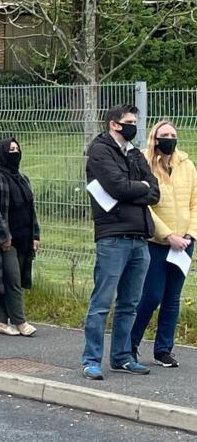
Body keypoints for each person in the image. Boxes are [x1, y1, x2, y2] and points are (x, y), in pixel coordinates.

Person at [81, 104, 160, 380]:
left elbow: (155, 191)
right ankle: (91, 359)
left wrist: (136, 189)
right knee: (102, 301)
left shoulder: (135, 153)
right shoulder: (100, 150)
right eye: (128, 121)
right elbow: (117, 187)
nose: (133, 126)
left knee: (130, 303)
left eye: (134, 121)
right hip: (113, 236)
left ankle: (122, 356)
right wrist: (139, 188)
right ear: (114, 124)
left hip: (139, 236)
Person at [129, 121, 195, 369]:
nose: (169, 138)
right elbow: (144, 206)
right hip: (156, 242)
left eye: (173, 135)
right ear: (154, 139)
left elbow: (195, 202)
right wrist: (168, 236)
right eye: (164, 135)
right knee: (151, 295)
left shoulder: (187, 165)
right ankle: (130, 343)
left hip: (185, 242)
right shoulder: (144, 165)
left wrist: (190, 234)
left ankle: (163, 349)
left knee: (172, 297)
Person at [0, 138, 40, 337]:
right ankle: (20, 321)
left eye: (17, 149)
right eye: (10, 150)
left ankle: (1, 321)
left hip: (23, 237)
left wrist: (35, 235)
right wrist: (3, 237)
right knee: (12, 279)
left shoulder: (23, 178)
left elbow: (30, 209)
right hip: (5, 240)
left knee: (8, 280)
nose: (15, 153)